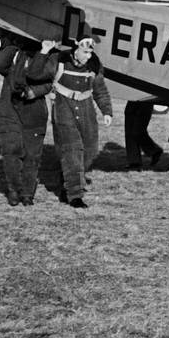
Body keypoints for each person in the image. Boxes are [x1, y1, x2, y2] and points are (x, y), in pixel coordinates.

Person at [0, 35, 57, 206]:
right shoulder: (15, 59)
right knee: (11, 151)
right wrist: (13, 44)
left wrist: (34, 92)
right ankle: (14, 189)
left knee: (32, 155)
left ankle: (27, 194)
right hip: (9, 110)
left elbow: (49, 82)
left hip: (34, 111)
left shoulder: (48, 59)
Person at [51, 36, 113, 209]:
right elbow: (42, 77)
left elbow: (100, 89)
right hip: (64, 106)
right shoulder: (59, 60)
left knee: (90, 149)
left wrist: (106, 111)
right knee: (72, 149)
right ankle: (75, 195)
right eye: (85, 52)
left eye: (90, 52)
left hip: (86, 108)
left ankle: (66, 180)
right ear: (75, 50)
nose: (88, 56)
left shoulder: (94, 64)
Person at [124, 101, 163, 170]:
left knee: (137, 131)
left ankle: (154, 150)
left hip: (146, 100)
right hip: (132, 101)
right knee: (129, 131)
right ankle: (134, 162)